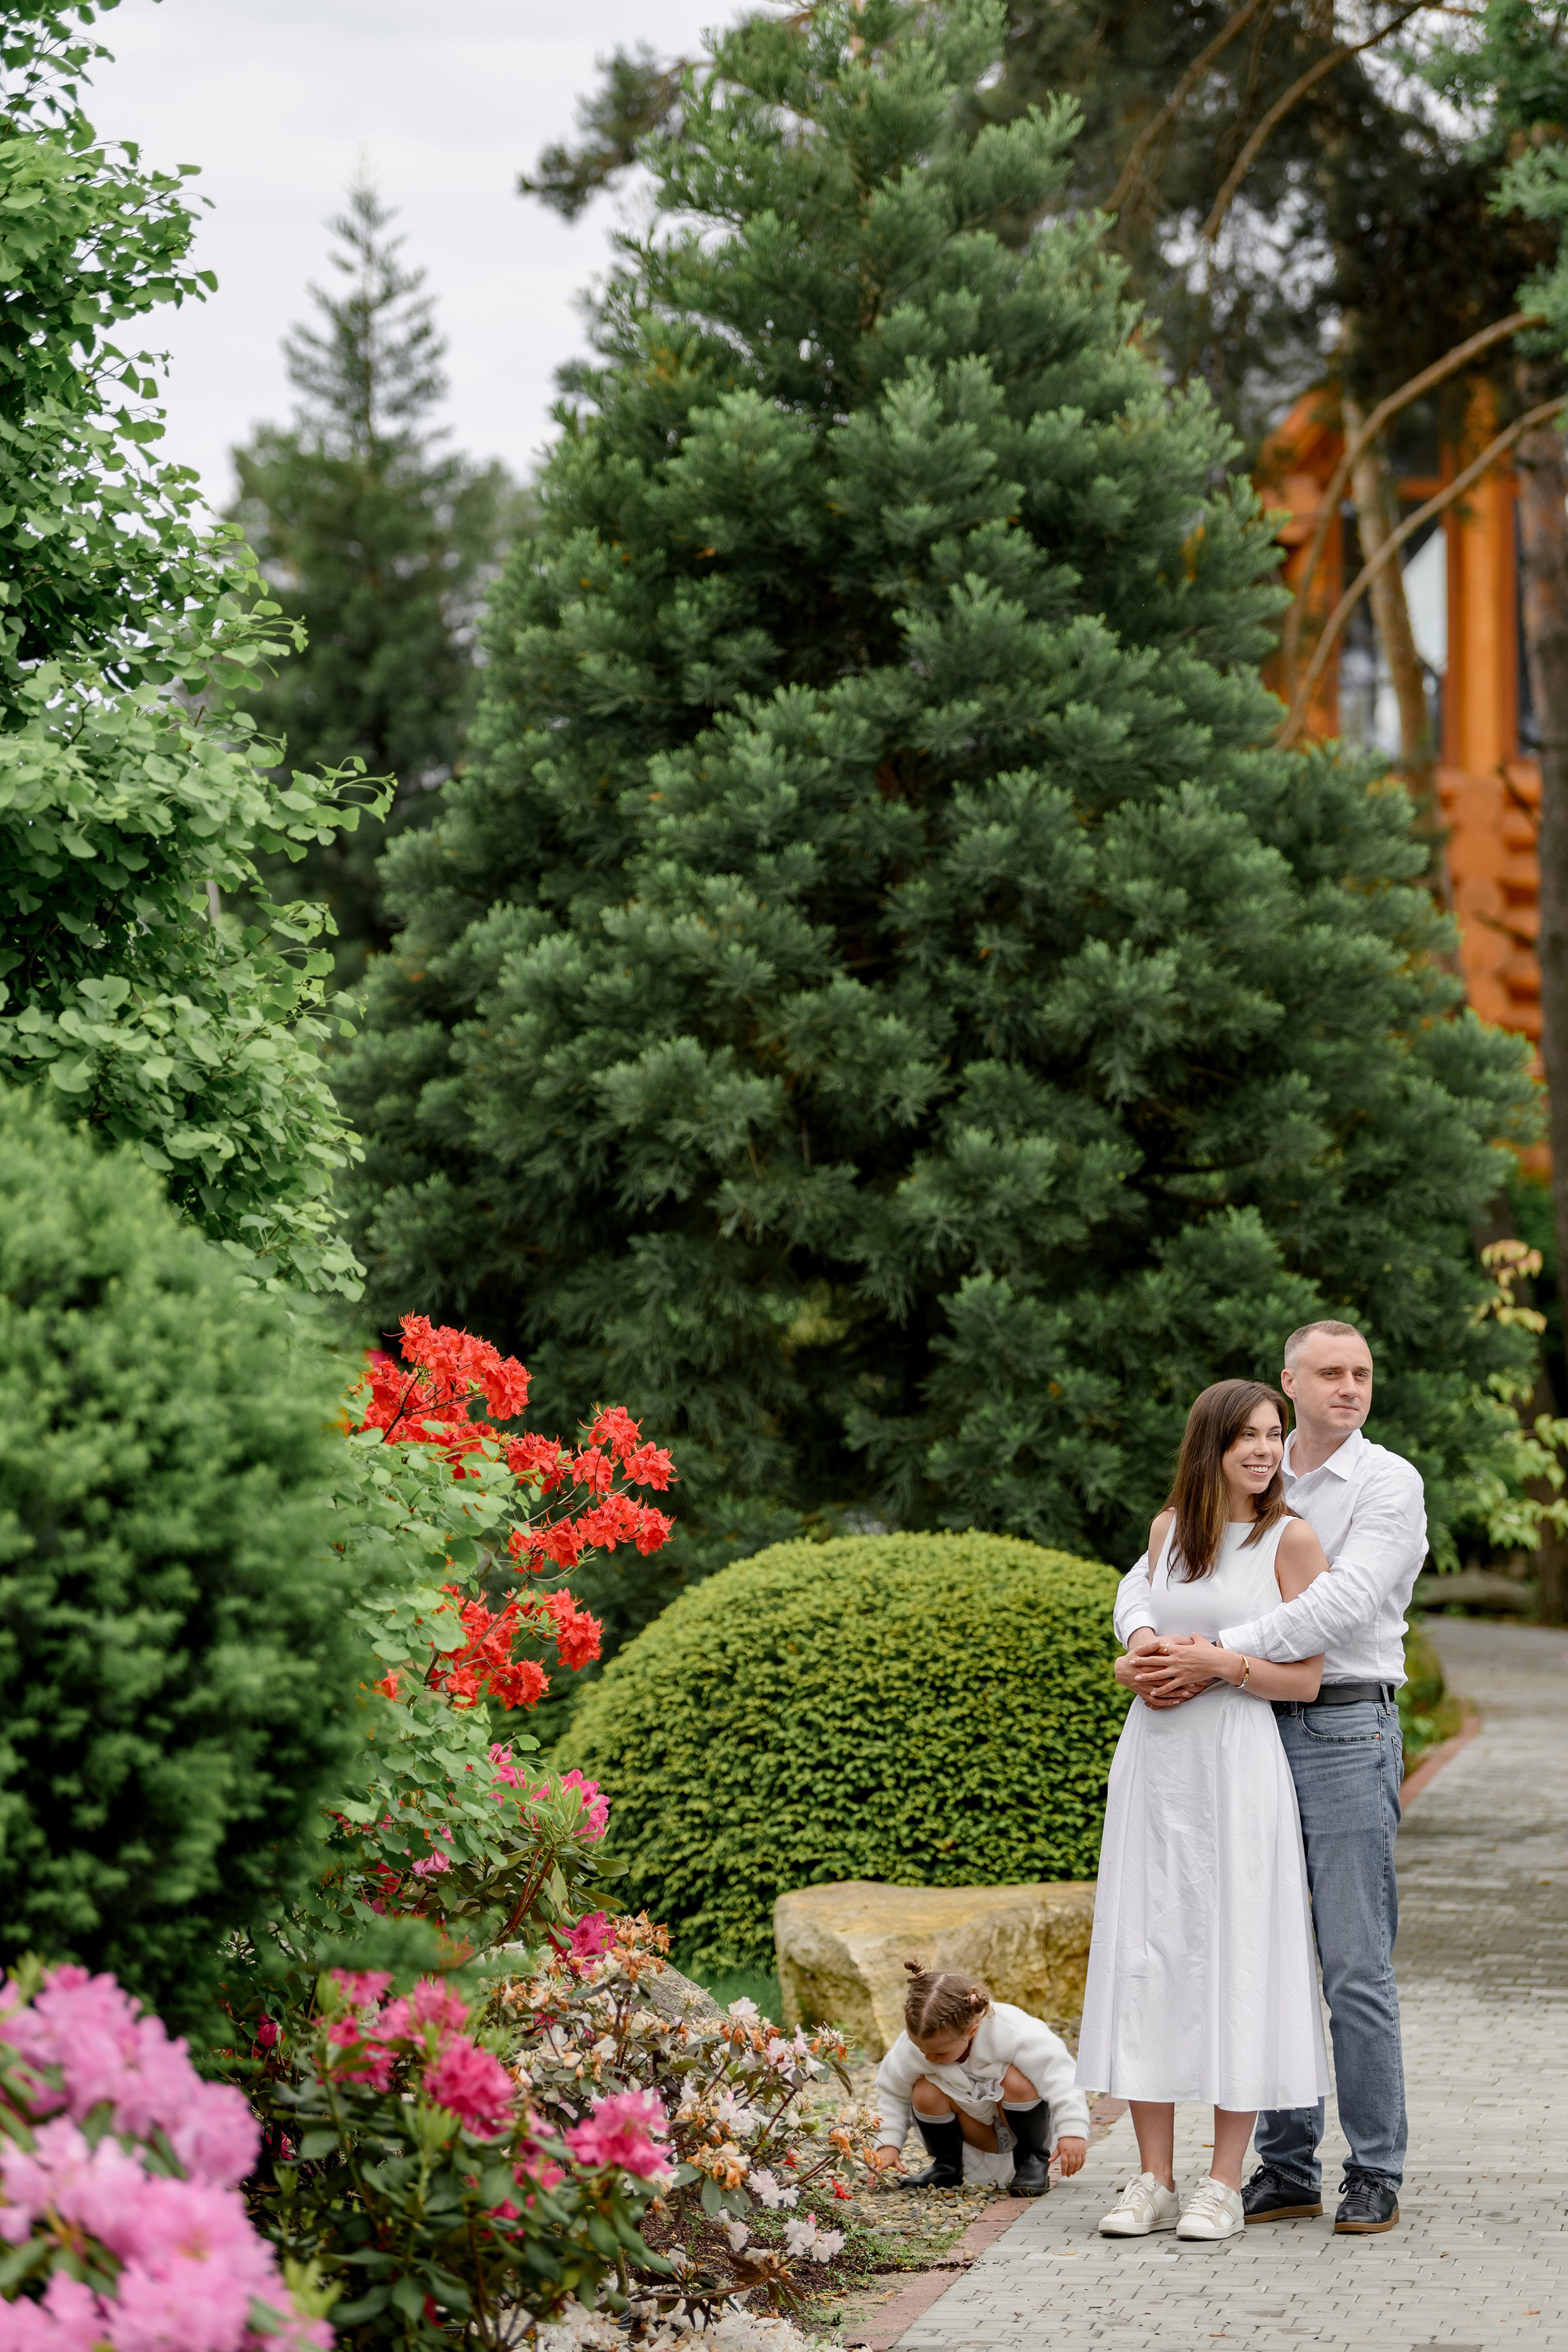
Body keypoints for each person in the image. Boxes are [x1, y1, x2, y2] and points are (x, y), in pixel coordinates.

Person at [1113, 1320, 1425, 2237]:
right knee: (1265, 1942)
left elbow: (1342, 1602)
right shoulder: (1252, 1459)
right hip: (1240, 1731)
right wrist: (1144, 1644)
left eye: (1363, 1372)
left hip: (1338, 1724)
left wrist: (1212, 1654)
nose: (1350, 1387)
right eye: (1331, 1372)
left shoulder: (1385, 1483)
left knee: (1353, 1962)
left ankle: (1374, 2168)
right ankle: (1285, 2168)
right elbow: (1153, 1569)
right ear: (1290, 1380)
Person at [1078, 1379, 1331, 2244]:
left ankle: (1223, 2183)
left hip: (1237, 1762)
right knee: (1152, 1948)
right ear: (1210, 1446)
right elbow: (1140, 1624)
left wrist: (1223, 1666)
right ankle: (1152, 2175)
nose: (1264, 1451)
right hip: (1156, 1765)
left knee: (1234, 1952)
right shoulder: (1168, 1536)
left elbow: (1307, 1678)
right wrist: (1139, 1663)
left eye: (1274, 1436)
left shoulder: (1291, 1542)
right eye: (1247, 1438)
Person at [872, 1963, 1089, 2197]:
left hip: (1021, 2125)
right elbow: (893, 2093)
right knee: (924, 2091)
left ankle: (1031, 2160)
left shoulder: (1014, 2031)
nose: (928, 2056)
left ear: (972, 2032)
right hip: (975, 2132)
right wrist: (887, 2144)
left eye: (940, 2053)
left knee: (1015, 2079)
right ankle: (947, 2166)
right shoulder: (918, 2043)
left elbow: (1061, 2076)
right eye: (920, 2048)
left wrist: (1073, 2131)